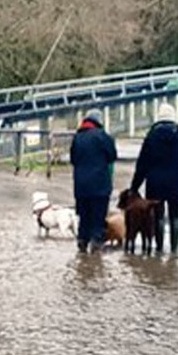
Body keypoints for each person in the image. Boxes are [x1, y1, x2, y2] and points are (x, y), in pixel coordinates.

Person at [128, 102, 178, 253]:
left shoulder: (152, 136)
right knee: (175, 216)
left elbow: (142, 164)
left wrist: (134, 187)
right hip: (175, 182)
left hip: (155, 183)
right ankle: (174, 250)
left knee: (158, 216)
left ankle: (159, 249)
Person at [70, 108, 117, 252]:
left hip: (81, 186)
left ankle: (82, 244)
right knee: (98, 219)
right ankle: (96, 248)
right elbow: (112, 156)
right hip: (100, 186)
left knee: (84, 217)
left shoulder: (77, 137)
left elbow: (73, 159)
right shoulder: (103, 137)